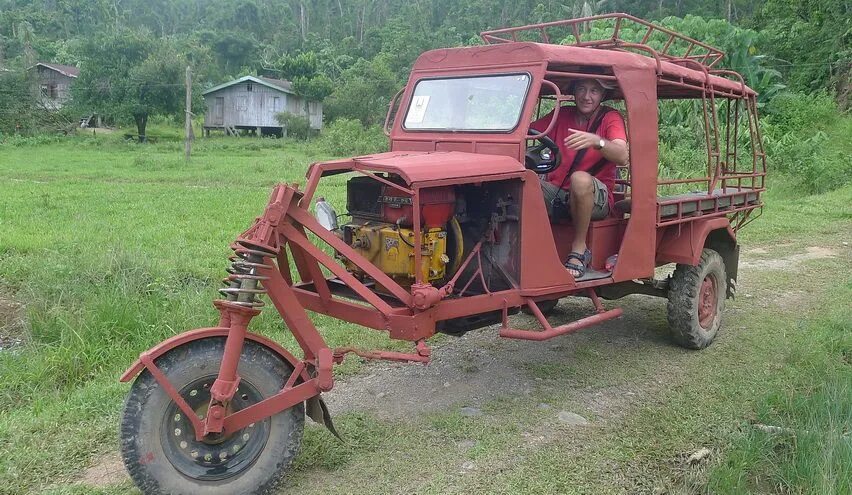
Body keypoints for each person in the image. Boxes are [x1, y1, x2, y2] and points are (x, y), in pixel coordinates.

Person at [529, 75, 629, 278]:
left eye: (594, 91)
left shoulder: (610, 117)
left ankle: (579, 248)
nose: (586, 96)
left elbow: (622, 155)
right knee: (523, 180)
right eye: (581, 89)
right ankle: (529, 246)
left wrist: (597, 141)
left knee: (579, 179)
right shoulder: (563, 114)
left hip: (597, 199)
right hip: (558, 194)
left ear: (602, 95)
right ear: (574, 91)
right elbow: (528, 132)